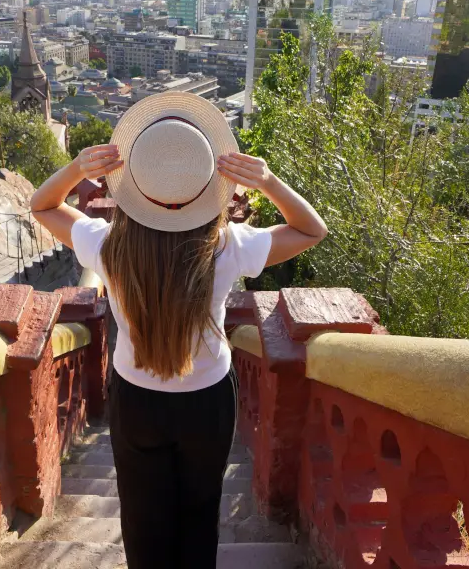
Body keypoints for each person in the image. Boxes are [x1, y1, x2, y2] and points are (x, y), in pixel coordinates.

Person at [30, 91, 327, 569]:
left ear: (134, 184)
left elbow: (42, 206)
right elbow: (312, 230)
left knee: (143, 521)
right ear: (205, 183)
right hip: (208, 401)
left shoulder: (107, 245)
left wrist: (76, 170)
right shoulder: (227, 247)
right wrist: (268, 181)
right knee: (199, 514)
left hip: (136, 398)